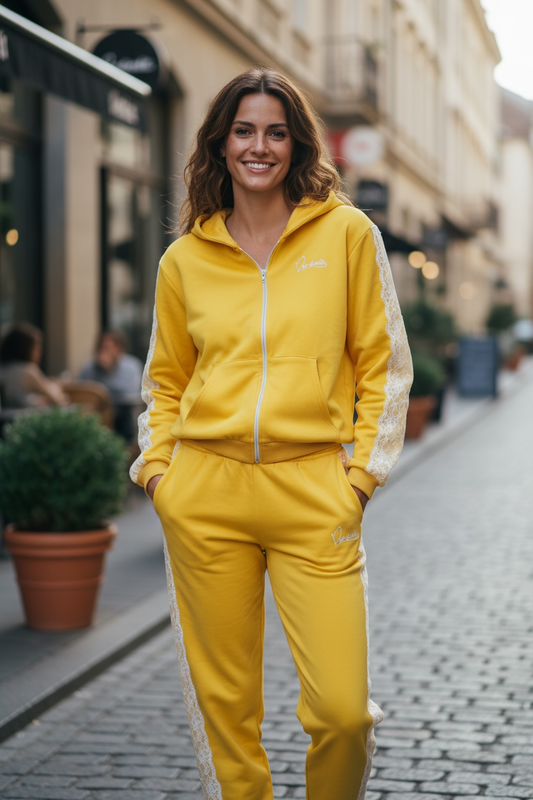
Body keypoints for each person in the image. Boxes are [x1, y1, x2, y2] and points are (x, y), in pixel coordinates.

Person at [130, 67, 413, 800]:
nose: (259, 146)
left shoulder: (346, 234)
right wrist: (159, 475)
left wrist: (359, 480)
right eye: (245, 131)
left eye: (276, 132)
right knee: (229, 716)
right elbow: (163, 380)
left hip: (314, 490)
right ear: (220, 144)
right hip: (204, 495)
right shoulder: (183, 260)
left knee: (342, 714)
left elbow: (384, 364)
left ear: (296, 144)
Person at [80, 330, 142, 440]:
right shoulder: (90, 368)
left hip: (122, 415)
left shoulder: (131, 366)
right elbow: (82, 391)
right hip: (97, 415)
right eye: (102, 348)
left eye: (109, 348)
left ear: (119, 349)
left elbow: (131, 392)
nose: (105, 352)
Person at [0, 322, 67, 408]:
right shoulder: (27, 370)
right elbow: (57, 398)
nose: (40, 351)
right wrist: (57, 386)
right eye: (36, 346)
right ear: (25, 348)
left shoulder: (4, 368)